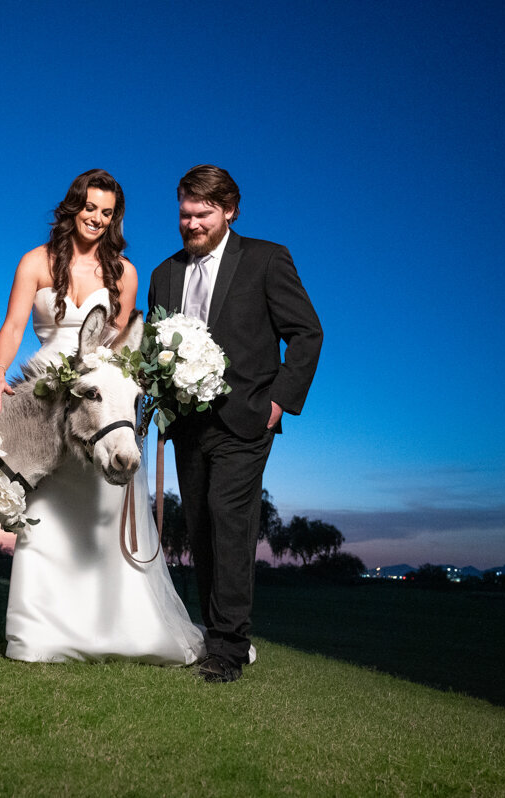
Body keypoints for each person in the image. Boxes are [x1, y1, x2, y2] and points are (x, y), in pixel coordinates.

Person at [0, 169, 205, 665]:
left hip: (100, 403)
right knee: (43, 511)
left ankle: (119, 628)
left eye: (107, 213)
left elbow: (123, 345)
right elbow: (15, 323)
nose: (97, 219)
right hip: (47, 400)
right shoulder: (35, 262)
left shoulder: (124, 273)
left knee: (105, 514)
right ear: (73, 206)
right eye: (90, 208)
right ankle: (39, 634)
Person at [148, 165, 322, 682]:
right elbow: (155, 349)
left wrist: (278, 402)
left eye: (203, 214)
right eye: (185, 213)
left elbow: (307, 333)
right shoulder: (163, 274)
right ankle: (215, 633)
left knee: (230, 520)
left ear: (230, 211)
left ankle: (228, 648)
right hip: (186, 422)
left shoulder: (267, 259)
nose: (192, 224)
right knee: (200, 526)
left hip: (246, 419)